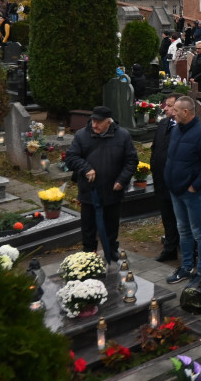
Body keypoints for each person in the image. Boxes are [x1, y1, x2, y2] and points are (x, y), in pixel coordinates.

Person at [65, 106, 139, 263]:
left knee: (111, 224)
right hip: (89, 191)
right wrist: (86, 168)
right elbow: (71, 158)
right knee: (88, 226)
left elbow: (131, 161)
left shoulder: (123, 136)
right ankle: (89, 254)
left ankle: (111, 251)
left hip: (113, 190)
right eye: (93, 121)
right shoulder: (81, 135)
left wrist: (122, 180)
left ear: (108, 122)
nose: (94, 125)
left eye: (98, 122)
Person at [164, 95, 201, 287]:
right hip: (176, 189)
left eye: (176, 110)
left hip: (192, 192)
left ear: (186, 112)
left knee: (199, 232)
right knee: (183, 230)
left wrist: (195, 185)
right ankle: (187, 267)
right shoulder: (177, 130)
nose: (172, 112)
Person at [151, 94, 182, 262]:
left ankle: (187, 250)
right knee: (167, 215)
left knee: (181, 217)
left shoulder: (184, 127)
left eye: (169, 106)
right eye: (166, 105)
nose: (165, 108)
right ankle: (169, 248)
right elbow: (156, 147)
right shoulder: (163, 123)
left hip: (176, 181)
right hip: (160, 178)